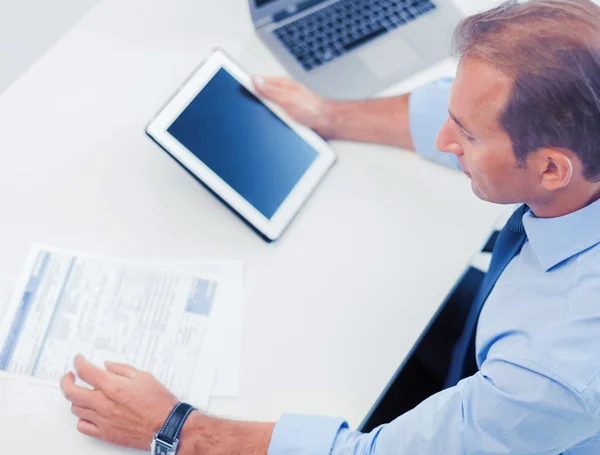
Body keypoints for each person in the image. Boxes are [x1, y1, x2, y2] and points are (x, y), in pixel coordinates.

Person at [60, 0, 600, 454]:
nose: (443, 141)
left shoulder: (551, 368)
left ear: (552, 169)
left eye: (467, 136)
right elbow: (455, 105)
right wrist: (328, 115)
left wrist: (176, 429)